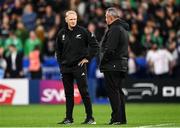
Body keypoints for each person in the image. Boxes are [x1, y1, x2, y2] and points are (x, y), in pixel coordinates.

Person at [55, 10, 99, 124]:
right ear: (66, 20)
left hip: (79, 66)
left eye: (74, 19)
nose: (73, 21)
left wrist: (87, 58)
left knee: (84, 92)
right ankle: (69, 118)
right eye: (71, 19)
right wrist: (61, 66)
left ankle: (90, 118)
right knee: (68, 94)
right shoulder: (61, 33)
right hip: (66, 68)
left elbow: (95, 46)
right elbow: (58, 51)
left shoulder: (84, 31)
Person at [99, 7, 129, 125]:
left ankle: (116, 118)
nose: (105, 19)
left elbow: (110, 49)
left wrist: (103, 61)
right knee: (118, 91)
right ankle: (121, 118)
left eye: (106, 17)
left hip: (113, 65)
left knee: (113, 92)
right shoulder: (122, 29)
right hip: (120, 64)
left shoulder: (115, 29)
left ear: (110, 17)